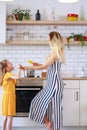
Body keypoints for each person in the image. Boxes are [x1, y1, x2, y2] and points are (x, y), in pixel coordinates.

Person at [21, 31, 65, 130]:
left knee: (56, 108)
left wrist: (26, 67)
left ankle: (55, 128)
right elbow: (46, 66)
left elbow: (44, 66)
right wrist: (36, 64)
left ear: (53, 40)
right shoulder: (53, 53)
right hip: (51, 83)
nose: (47, 41)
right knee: (37, 102)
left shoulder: (56, 53)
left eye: (48, 39)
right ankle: (48, 123)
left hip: (55, 84)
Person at [0, 60, 21, 130]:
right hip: (9, 98)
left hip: (6, 97)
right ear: (6, 68)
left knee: (6, 117)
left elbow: (15, 77)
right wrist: (19, 68)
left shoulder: (7, 75)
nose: (11, 63)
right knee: (10, 117)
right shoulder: (8, 74)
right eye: (9, 63)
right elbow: (18, 77)